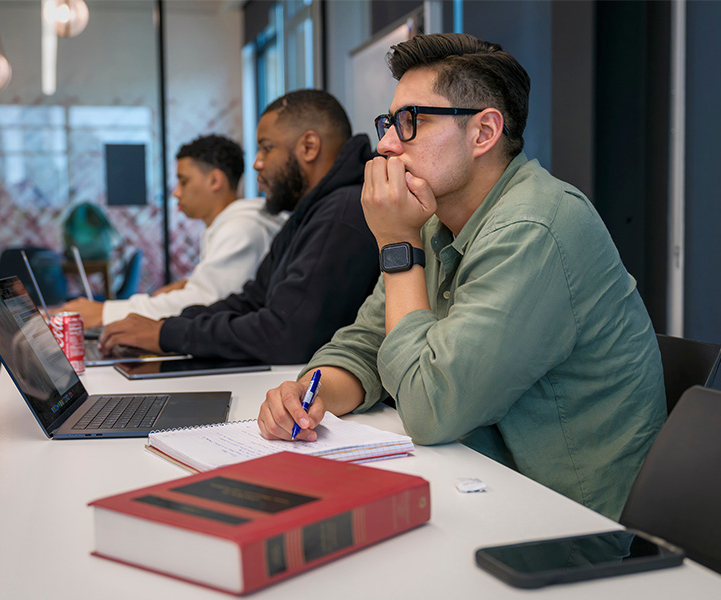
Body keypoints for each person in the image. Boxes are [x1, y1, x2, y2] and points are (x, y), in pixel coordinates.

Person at [257, 34, 666, 520]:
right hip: (478, 486)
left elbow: (431, 407)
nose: (386, 144)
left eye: (412, 122)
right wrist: (309, 396)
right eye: (389, 123)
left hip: (566, 525)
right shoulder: (431, 222)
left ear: (483, 132)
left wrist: (395, 247)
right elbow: (366, 343)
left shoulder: (535, 227)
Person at [99, 89, 380, 364]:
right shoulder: (308, 213)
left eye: (267, 148)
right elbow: (251, 300)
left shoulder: (341, 214)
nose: (257, 163)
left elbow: (286, 334)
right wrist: (165, 326)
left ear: (309, 147)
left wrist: (166, 334)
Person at [57, 135, 286, 328]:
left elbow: (205, 303)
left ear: (215, 180)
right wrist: (189, 282)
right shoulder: (229, 226)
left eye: (183, 182)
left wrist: (105, 313)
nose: (176, 193)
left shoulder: (242, 228)